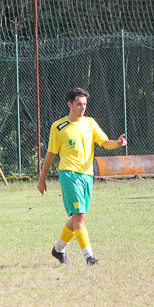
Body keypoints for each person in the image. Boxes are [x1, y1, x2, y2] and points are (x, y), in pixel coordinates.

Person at [37, 87, 127, 266]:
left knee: (77, 218)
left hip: (87, 176)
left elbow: (104, 142)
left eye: (84, 104)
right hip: (69, 175)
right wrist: (42, 178)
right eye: (78, 104)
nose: (82, 107)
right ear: (69, 104)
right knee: (79, 216)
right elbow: (51, 153)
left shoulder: (90, 123)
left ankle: (58, 250)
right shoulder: (59, 127)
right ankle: (89, 257)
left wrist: (117, 143)